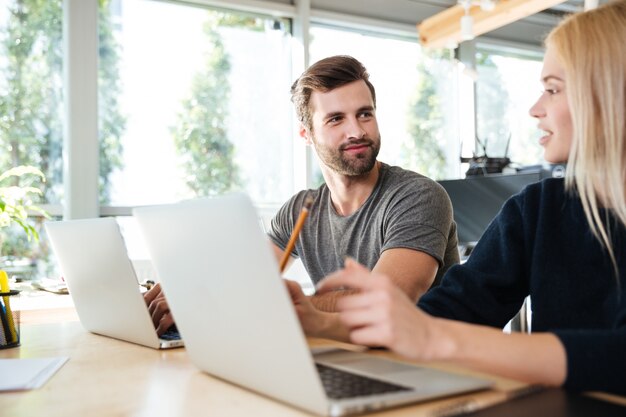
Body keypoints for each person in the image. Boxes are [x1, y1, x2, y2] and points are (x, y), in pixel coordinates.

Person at [317, 1, 626, 396]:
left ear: (610, 96)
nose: (535, 109)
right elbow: (450, 313)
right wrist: (317, 321)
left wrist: (435, 338)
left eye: (552, 89)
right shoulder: (537, 210)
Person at [145, 55, 460, 338]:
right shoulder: (300, 209)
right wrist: (192, 294)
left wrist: (289, 308)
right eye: (336, 119)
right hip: (350, 358)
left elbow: (385, 301)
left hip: (431, 368)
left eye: (365, 114)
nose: (357, 131)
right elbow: (246, 281)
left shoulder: (418, 196)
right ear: (306, 134)